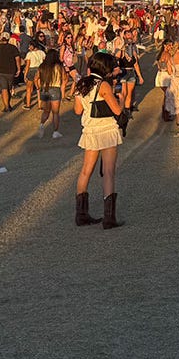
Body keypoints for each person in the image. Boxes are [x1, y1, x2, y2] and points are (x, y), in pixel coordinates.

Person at [73, 52, 125, 229]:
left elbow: (77, 110)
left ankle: (81, 214)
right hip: (106, 129)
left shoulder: (82, 84)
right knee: (108, 172)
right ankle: (109, 218)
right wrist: (123, 100)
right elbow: (117, 111)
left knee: (86, 171)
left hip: (90, 130)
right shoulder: (103, 85)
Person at [0, 32, 22, 113]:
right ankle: (8, 105)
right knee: (9, 88)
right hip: (11, 69)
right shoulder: (13, 48)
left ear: (1, 38)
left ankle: (6, 106)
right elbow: (17, 59)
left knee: (4, 88)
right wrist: (18, 69)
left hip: (0, 70)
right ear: (8, 39)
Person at [22, 41, 46, 109]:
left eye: (30, 46)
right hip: (40, 70)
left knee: (29, 89)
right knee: (39, 88)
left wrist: (25, 75)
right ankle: (40, 105)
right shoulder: (42, 53)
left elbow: (27, 65)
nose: (29, 47)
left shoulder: (29, 54)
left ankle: (28, 104)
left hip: (32, 71)